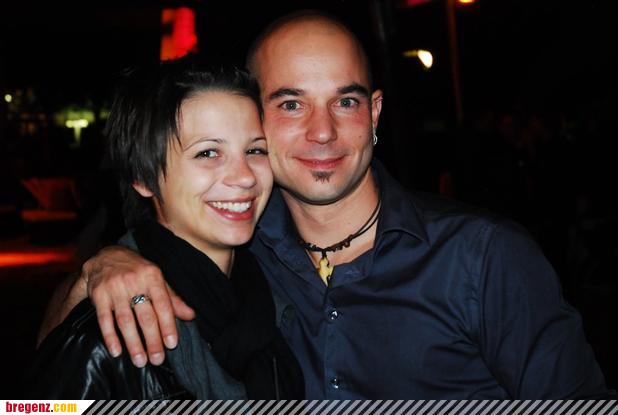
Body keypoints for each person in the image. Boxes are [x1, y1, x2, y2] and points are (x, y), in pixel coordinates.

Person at [42, 11, 608, 399]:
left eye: (346, 101)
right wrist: (96, 271)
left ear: (375, 114)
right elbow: (37, 398)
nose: (322, 131)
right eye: (291, 104)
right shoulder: (242, 253)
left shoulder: (484, 258)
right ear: (256, 117)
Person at [26, 56, 303, 399]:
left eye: (255, 150)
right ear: (143, 177)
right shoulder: (115, 329)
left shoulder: (267, 293)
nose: (245, 176)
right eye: (208, 153)